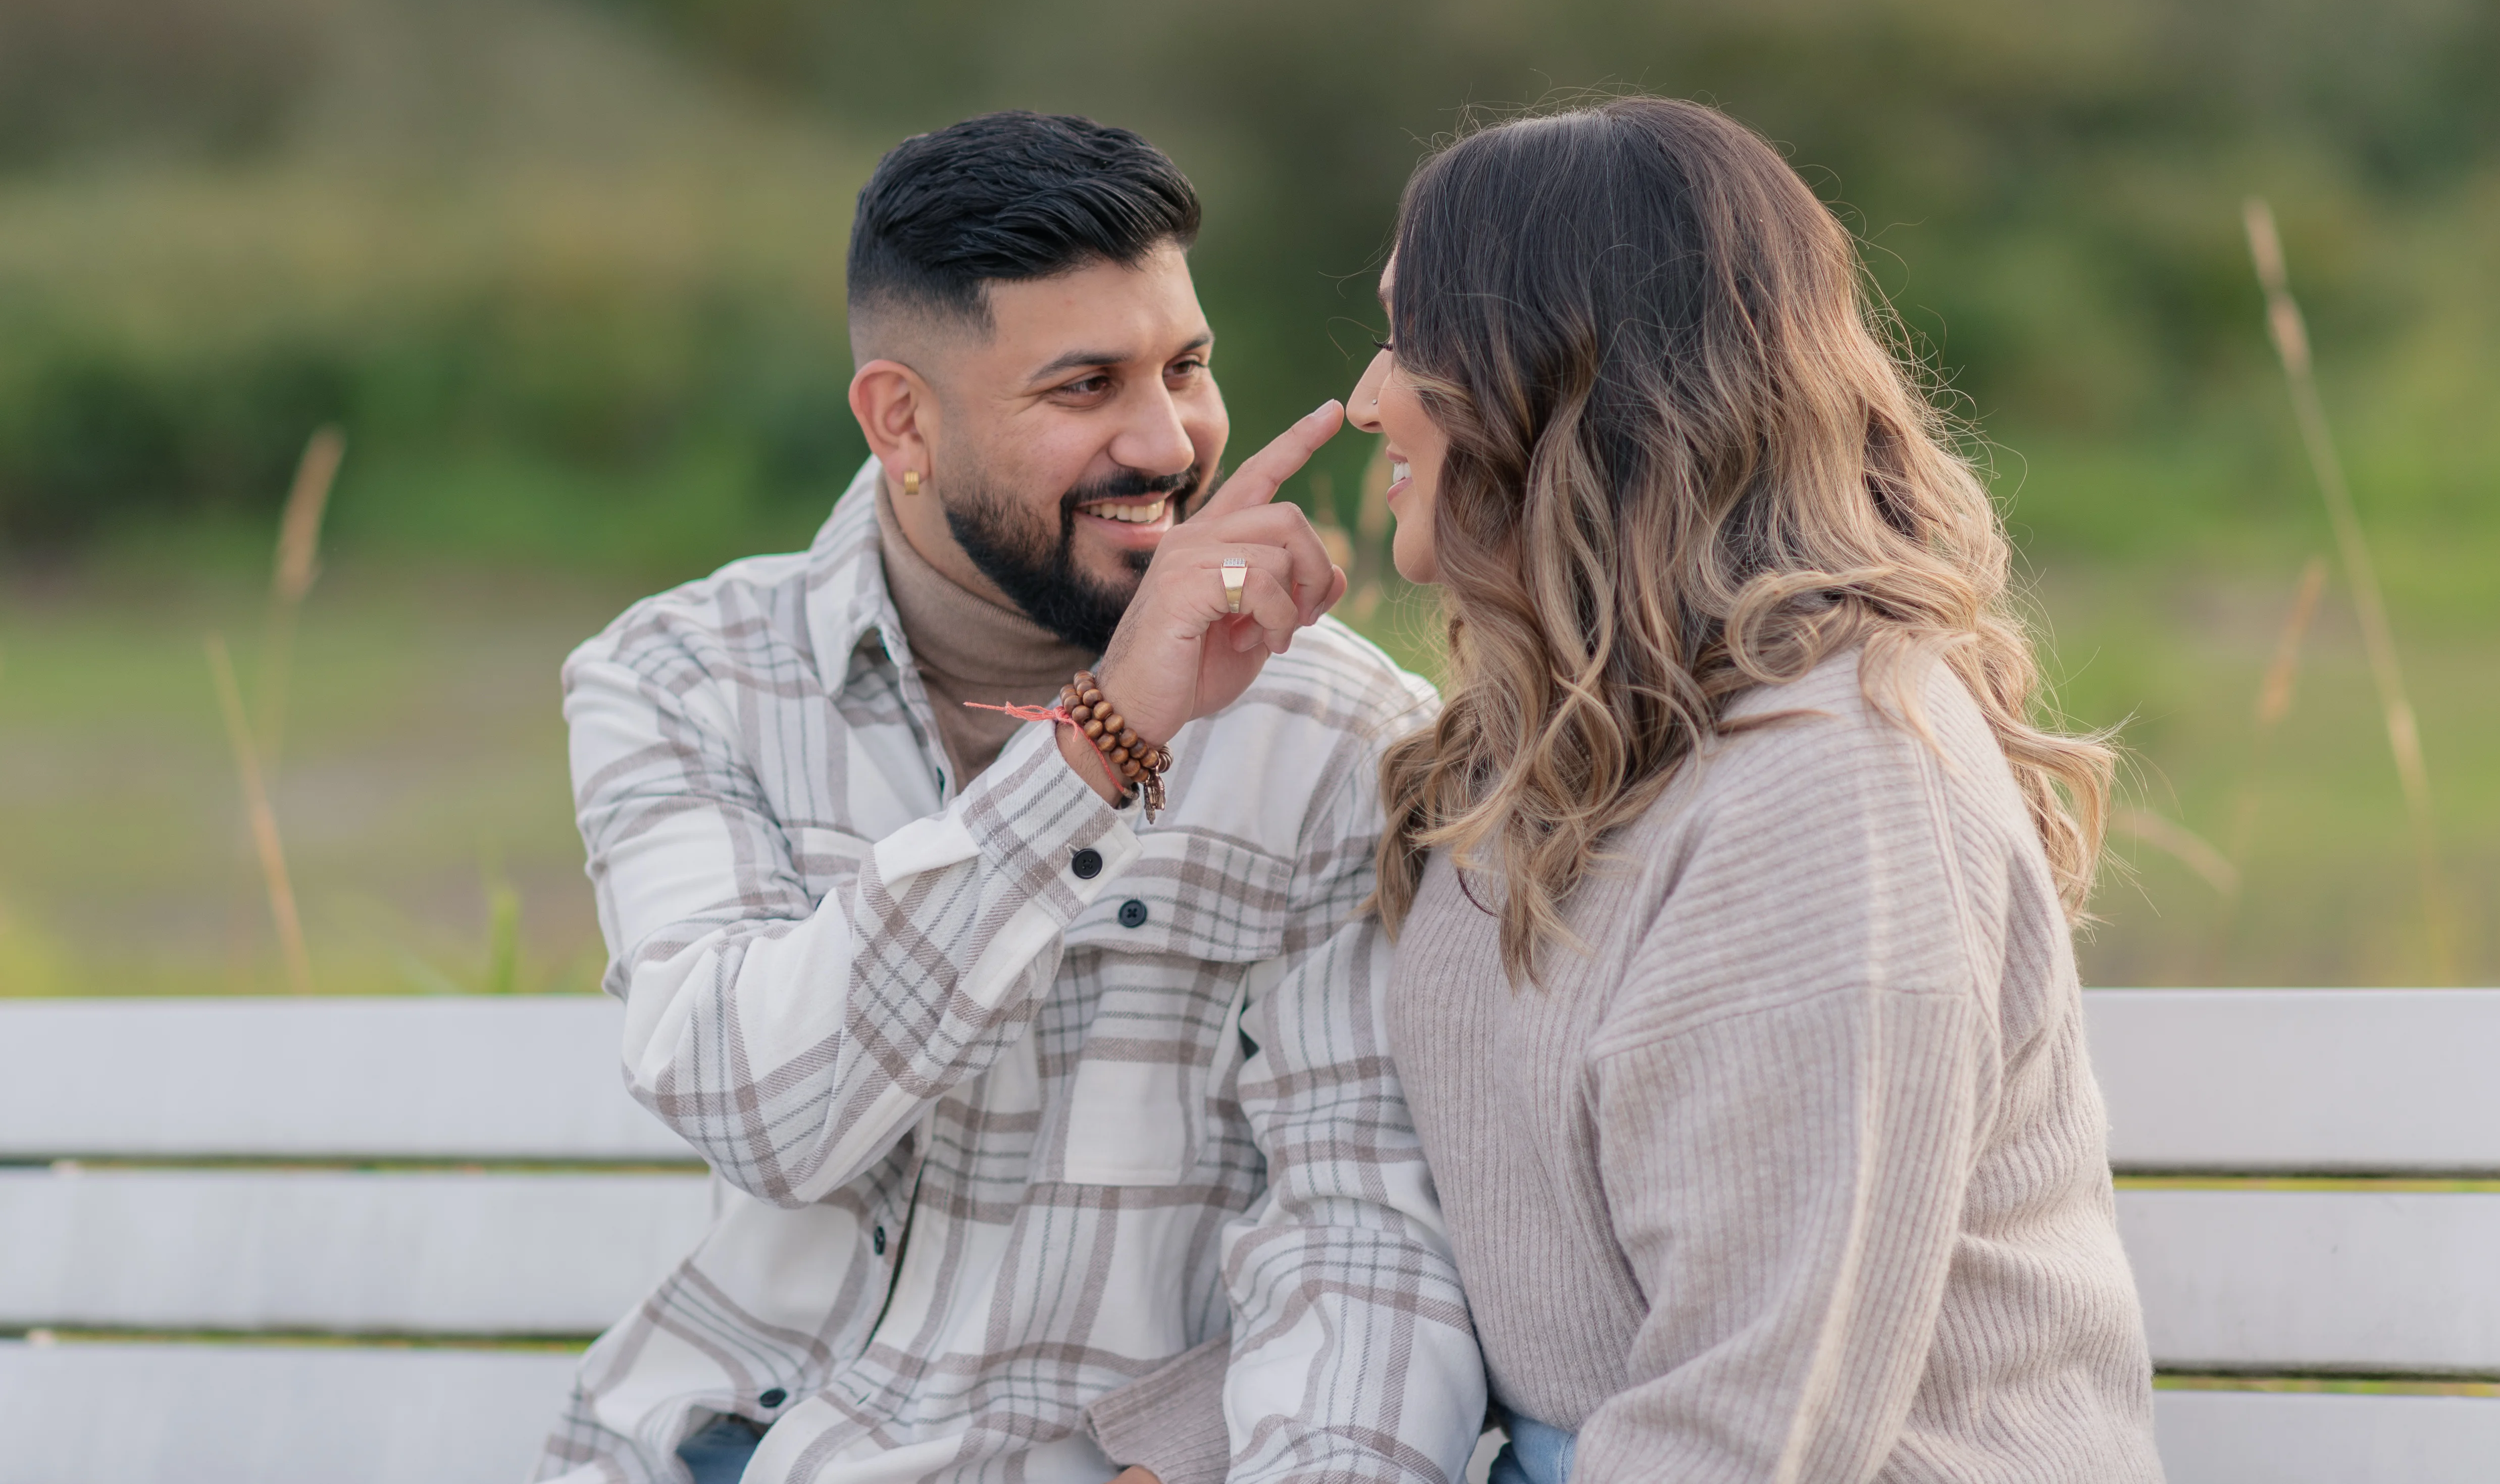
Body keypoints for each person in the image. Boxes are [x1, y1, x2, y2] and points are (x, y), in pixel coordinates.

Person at [537, 111, 1485, 1484]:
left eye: (1187, 365)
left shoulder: (1339, 735)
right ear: (902, 420)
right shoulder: (682, 678)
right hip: (714, 1450)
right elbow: (759, 1109)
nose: (1166, 441)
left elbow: (1358, 1236)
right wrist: (1103, 747)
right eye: (1085, 387)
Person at [1346, 98, 2166, 1483]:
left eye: (1411, 346)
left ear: (1555, 381)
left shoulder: (1839, 790)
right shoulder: (1546, 751)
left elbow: (1749, 1429)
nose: (1369, 398)